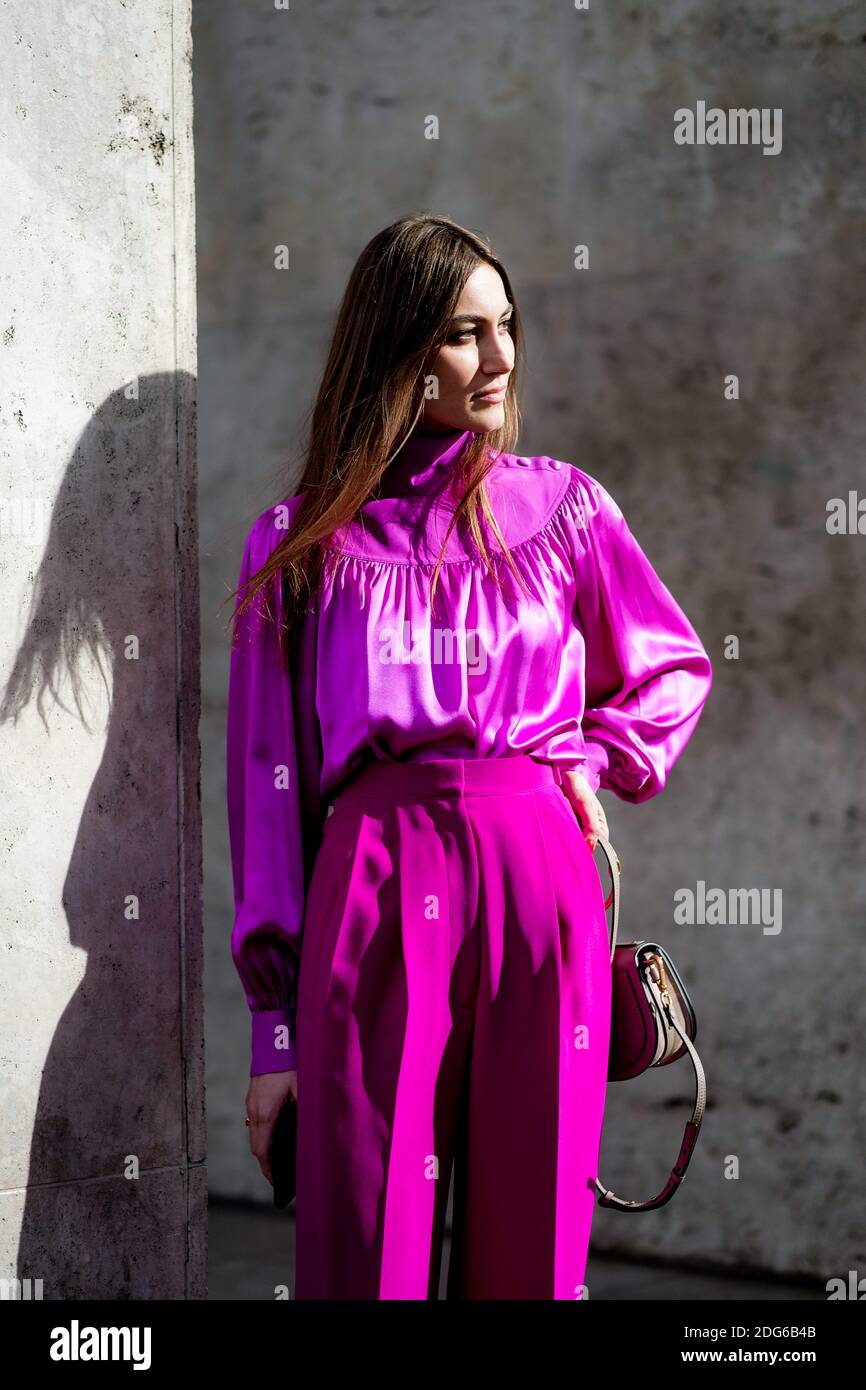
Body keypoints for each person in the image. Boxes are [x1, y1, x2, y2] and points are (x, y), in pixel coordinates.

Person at [225, 213, 713, 1300]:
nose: (497, 358)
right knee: (362, 1246)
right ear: (396, 348)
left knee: (532, 1242)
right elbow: (270, 786)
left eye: (506, 325)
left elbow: (672, 666)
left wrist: (592, 756)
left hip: (538, 874)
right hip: (371, 878)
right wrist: (272, 1031)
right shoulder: (300, 540)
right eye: (460, 332)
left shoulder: (565, 508)